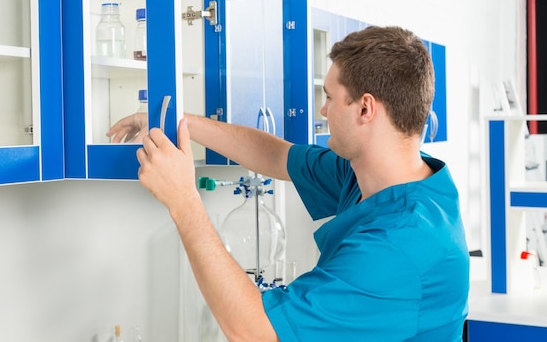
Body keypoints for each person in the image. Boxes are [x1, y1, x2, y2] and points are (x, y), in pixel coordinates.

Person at [107, 25, 469, 342]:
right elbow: (277, 155)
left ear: (365, 109)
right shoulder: (370, 176)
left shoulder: (399, 246)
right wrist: (177, 124)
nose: (323, 110)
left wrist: (184, 201)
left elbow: (255, 332)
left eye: (329, 97)